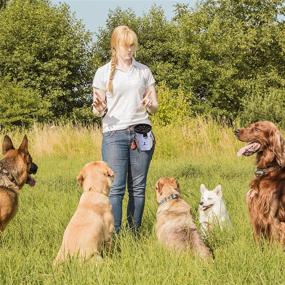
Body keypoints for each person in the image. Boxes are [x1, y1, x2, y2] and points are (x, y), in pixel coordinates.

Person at [92, 25, 158, 234]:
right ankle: (115, 236)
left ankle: (135, 234)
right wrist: (99, 108)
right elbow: (96, 109)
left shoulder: (143, 71)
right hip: (114, 134)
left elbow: (155, 106)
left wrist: (150, 103)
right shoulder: (102, 73)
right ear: (115, 46)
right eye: (125, 46)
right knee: (116, 189)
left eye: (132, 46)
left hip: (142, 131)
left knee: (138, 189)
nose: (129, 50)